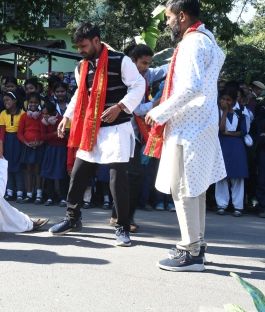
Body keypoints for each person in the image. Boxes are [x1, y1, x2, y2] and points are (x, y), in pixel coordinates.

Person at [144, 0, 226, 272]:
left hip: (188, 126)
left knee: (184, 188)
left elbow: (190, 87)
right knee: (195, 188)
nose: (167, 23)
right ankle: (197, 245)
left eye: (168, 17)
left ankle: (190, 252)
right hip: (202, 124)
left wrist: (159, 112)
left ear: (181, 15)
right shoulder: (208, 40)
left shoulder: (191, 43)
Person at [49, 22, 144, 248]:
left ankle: (122, 226)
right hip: (91, 129)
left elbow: (138, 86)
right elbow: (79, 96)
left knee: (116, 179)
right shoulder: (81, 67)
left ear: (96, 40)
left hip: (118, 129)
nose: (80, 50)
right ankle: (72, 219)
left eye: (83, 46)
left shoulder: (121, 60)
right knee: (79, 174)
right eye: (78, 47)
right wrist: (66, 117)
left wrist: (120, 106)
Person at [111, 43, 169, 228]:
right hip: (121, 132)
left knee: (126, 176)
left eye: (148, 64)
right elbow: (136, 109)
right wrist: (157, 103)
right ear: (132, 61)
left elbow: (163, 70)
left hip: (134, 136)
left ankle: (117, 216)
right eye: (143, 63)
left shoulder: (145, 74)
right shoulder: (124, 80)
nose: (146, 67)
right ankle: (124, 219)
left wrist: (181, 56)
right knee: (134, 175)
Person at [215, 89, 248, 217]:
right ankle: (221, 205)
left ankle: (238, 206)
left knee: (237, 177)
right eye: (223, 99)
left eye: (228, 100)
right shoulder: (217, 113)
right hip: (222, 145)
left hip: (236, 147)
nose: (225, 102)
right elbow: (221, 128)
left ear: (234, 102)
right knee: (222, 176)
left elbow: (243, 131)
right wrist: (224, 112)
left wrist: (230, 134)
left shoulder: (240, 114)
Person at [18, 92, 45, 204]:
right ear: (27, 103)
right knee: (29, 170)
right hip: (28, 146)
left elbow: (44, 132)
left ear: (39, 103)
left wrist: (39, 142)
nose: (33, 104)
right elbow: (19, 132)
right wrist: (26, 143)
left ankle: (39, 194)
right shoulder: (24, 116)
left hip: (38, 146)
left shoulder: (42, 116)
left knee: (37, 171)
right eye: (31, 102)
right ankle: (29, 194)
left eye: (35, 102)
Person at [40, 101, 68, 206]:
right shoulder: (43, 121)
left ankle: (63, 198)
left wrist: (53, 134)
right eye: (43, 113)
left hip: (61, 149)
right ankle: (50, 197)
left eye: (47, 113)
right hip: (50, 148)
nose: (45, 116)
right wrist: (55, 133)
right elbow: (43, 137)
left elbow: (62, 135)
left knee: (61, 174)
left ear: (53, 112)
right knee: (49, 173)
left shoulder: (61, 119)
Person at [0, 91, 25, 202]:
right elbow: (2, 131)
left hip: (19, 140)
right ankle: (9, 191)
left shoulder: (23, 113)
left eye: (8, 100)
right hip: (8, 140)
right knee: (8, 166)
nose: (6, 102)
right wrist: (1, 145)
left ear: (15, 100)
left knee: (18, 166)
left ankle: (19, 192)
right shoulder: (3, 114)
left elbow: (24, 129)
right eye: (4, 100)